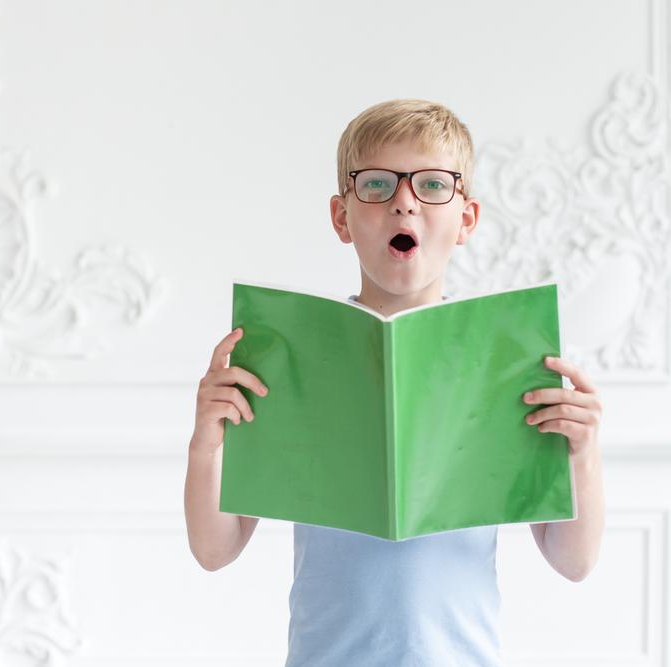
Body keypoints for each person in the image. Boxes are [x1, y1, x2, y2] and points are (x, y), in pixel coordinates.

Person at [183, 99, 606, 666]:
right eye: (377, 184)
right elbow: (215, 548)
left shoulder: (502, 362)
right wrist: (206, 444)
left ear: (466, 218)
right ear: (341, 216)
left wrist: (582, 452)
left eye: (433, 184)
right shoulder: (290, 355)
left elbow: (573, 561)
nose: (404, 201)